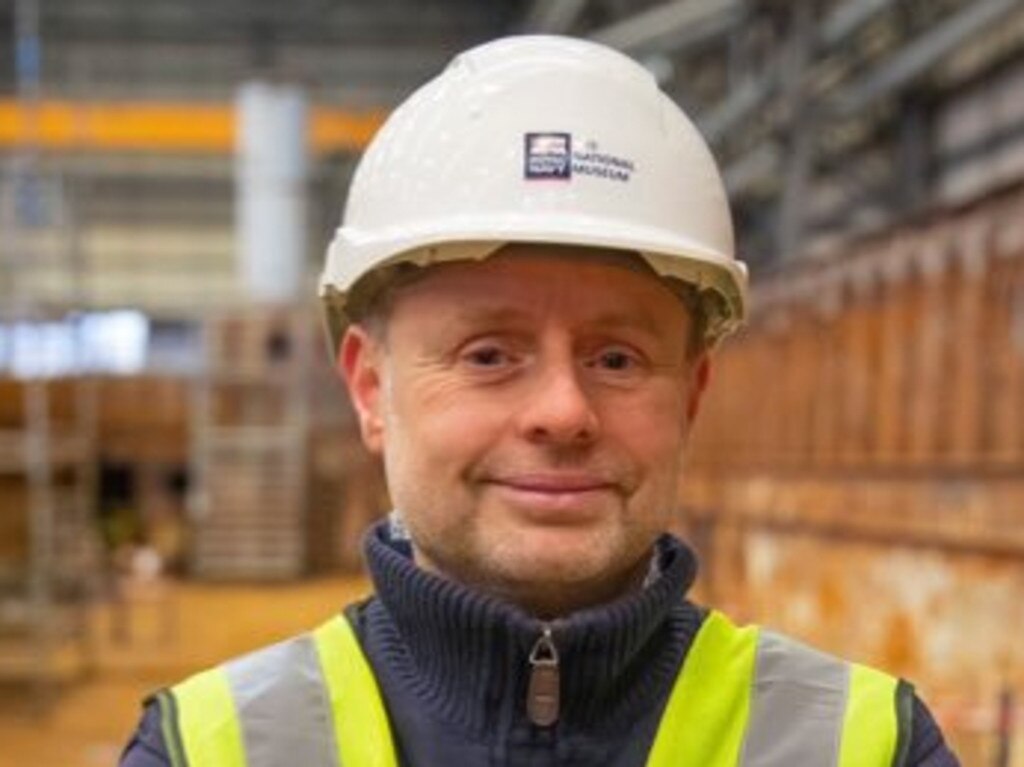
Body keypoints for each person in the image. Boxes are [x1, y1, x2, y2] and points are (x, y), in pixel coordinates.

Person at [120, 36, 959, 766]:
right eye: (488, 354)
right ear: (371, 389)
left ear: (691, 394)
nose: (563, 411)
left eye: (618, 357)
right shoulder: (207, 749)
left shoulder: (869, 748)